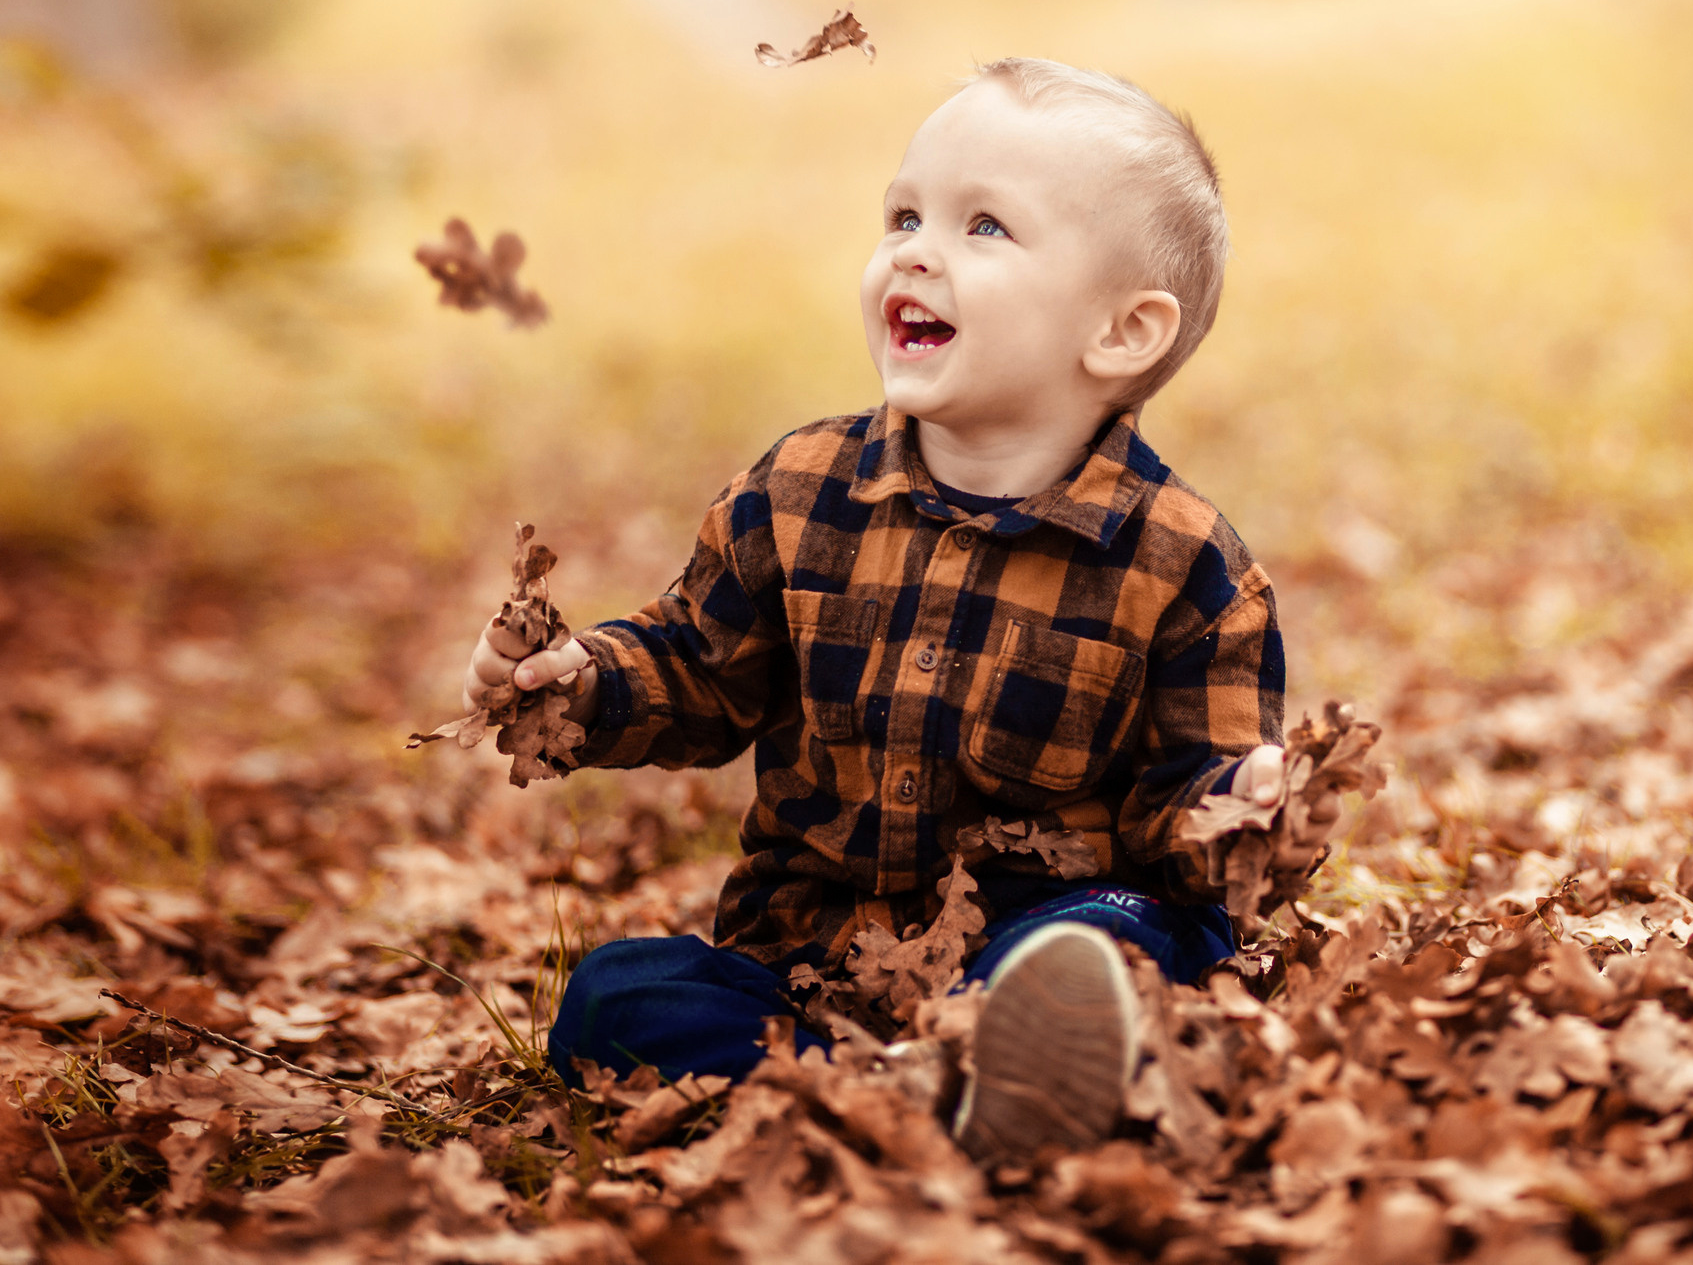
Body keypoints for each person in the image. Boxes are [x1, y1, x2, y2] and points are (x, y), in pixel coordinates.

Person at [463, 57, 1336, 1161]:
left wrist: (1246, 810)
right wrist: (581, 683)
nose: (914, 252)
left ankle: (1017, 1054)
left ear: (1121, 332)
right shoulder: (798, 492)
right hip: (808, 962)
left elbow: (1184, 803)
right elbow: (696, 664)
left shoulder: (1186, 565)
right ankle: (907, 1096)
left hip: (1034, 946)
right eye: (904, 215)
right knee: (614, 996)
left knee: (1120, 943)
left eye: (985, 227)